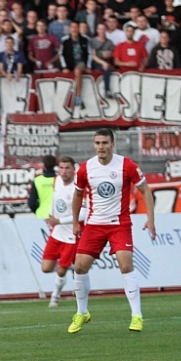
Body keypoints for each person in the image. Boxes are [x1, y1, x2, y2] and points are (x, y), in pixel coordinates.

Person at [69, 129, 156, 334]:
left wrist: (150, 219)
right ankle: (82, 312)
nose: (101, 147)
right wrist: (75, 222)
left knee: (126, 265)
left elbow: (145, 190)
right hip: (94, 225)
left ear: (112, 144)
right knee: (79, 267)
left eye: (105, 143)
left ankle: (136, 315)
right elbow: (77, 195)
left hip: (119, 223)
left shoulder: (127, 165)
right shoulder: (85, 168)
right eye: (97, 143)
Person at [39, 156, 87, 308]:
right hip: (57, 233)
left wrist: (60, 220)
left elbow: (83, 214)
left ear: (73, 170)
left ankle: (55, 297)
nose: (64, 171)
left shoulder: (78, 187)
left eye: (67, 168)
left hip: (72, 235)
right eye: (61, 168)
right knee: (46, 268)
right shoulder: (56, 181)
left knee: (60, 271)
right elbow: (55, 200)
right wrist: (51, 214)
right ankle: (72, 266)